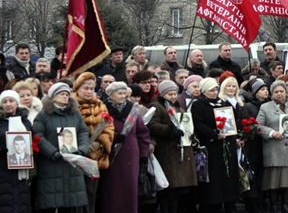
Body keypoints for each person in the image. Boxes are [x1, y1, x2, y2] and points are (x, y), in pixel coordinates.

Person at [32, 82, 90, 212]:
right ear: (52, 97)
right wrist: (52, 152)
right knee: (51, 202)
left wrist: (82, 149)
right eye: (61, 94)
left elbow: (83, 132)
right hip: (51, 164)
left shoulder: (75, 114)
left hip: (72, 164)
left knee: (71, 204)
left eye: (67, 94)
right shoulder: (43, 115)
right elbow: (38, 135)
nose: (65, 96)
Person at [100, 81, 151, 213]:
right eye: (119, 93)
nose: (123, 96)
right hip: (112, 155)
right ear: (110, 95)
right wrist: (115, 136)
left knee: (130, 190)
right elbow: (99, 131)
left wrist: (144, 154)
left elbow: (142, 133)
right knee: (113, 191)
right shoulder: (104, 110)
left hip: (131, 155)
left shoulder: (132, 111)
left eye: (124, 93)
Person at [192, 77, 240, 213]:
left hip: (227, 144)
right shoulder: (199, 105)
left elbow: (233, 120)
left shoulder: (223, 103)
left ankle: (230, 202)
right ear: (204, 91)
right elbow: (198, 124)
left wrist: (234, 133)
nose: (214, 92)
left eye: (215, 89)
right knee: (214, 178)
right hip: (212, 146)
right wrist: (214, 134)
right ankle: (213, 204)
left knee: (229, 174)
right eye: (210, 90)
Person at [148, 80, 197, 213]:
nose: (173, 97)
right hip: (167, 153)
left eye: (175, 93)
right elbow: (152, 125)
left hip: (181, 154)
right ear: (163, 94)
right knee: (168, 191)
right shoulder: (156, 107)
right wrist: (170, 130)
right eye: (170, 94)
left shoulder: (179, 108)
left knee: (179, 191)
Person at [257, 80, 288, 213]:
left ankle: (285, 204)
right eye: (276, 92)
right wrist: (271, 133)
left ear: (286, 92)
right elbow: (258, 126)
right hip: (273, 147)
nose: (279, 94)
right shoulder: (265, 107)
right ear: (272, 94)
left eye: (281, 91)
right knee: (273, 180)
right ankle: (273, 205)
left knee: (287, 180)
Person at [72, 72, 115, 213]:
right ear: (77, 88)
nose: (89, 91)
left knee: (91, 195)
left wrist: (100, 143)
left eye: (91, 88)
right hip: (76, 158)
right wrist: (82, 146)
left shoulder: (100, 104)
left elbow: (109, 126)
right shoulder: (71, 105)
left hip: (95, 158)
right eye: (86, 88)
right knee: (76, 197)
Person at [0, 90, 33, 212]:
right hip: (3, 169)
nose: (8, 104)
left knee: (22, 201)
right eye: (5, 102)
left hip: (23, 169)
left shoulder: (25, 122)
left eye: (11, 101)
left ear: (16, 103)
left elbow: (31, 139)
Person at [241, 79, 269, 213]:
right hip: (253, 145)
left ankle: (261, 201)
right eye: (262, 89)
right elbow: (247, 125)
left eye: (266, 89)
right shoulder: (249, 106)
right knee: (253, 174)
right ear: (256, 92)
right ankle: (252, 203)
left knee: (262, 177)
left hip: (266, 144)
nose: (265, 92)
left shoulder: (270, 105)